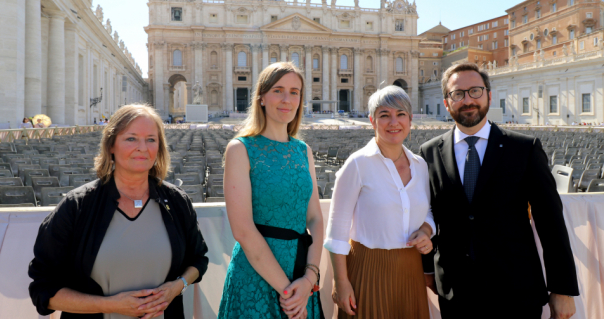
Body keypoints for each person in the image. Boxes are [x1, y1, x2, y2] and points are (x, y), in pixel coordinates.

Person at [419, 63, 579, 319]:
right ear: (447, 102)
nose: (467, 100)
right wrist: (428, 270)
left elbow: (551, 222)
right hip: (456, 294)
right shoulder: (429, 153)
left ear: (489, 96)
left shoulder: (524, 148)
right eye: (458, 94)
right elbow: (426, 213)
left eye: (475, 91)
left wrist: (562, 289)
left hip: (516, 291)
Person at [28, 104, 209, 319]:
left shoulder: (177, 201)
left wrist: (177, 286)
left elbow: (198, 260)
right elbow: (43, 289)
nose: (143, 147)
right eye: (131, 138)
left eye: (151, 139)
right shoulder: (77, 206)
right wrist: (109, 305)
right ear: (111, 145)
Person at [218, 62, 325, 319]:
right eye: (278, 90)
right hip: (257, 276)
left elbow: (315, 218)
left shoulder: (303, 151)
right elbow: (243, 230)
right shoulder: (240, 149)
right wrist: (289, 292)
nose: (287, 99)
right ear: (262, 97)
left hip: (300, 279)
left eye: (294, 92)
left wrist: (309, 277)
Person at [325, 85, 434, 319]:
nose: (393, 122)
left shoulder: (421, 166)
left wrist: (426, 230)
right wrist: (341, 282)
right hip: (367, 269)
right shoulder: (357, 165)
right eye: (385, 115)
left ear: (410, 119)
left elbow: (428, 211)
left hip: (410, 270)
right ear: (372, 121)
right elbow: (337, 231)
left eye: (400, 114)